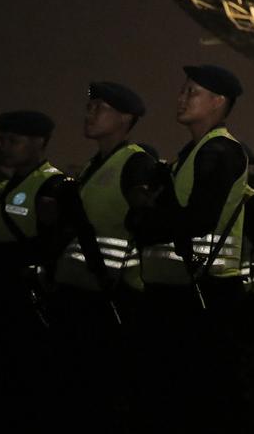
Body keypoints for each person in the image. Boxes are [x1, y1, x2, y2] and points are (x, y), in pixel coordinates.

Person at [127, 64, 251, 432]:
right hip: (178, 292)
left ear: (218, 101)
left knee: (204, 400)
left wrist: (142, 221)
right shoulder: (190, 154)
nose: (181, 98)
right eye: (182, 91)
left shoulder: (220, 151)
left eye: (192, 92)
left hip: (204, 294)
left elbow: (198, 218)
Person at [52, 81, 157, 430]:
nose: (89, 113)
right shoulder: (91, 167)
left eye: (100, 108)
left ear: (125, 118)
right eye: (90, 106)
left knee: (102, 396)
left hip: (111, 299)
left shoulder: (135, 163)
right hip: (78, 295)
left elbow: (145, 218)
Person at [0, 110, 77, 429]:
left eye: (13, 141)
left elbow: (55, 245)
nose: (5, 146)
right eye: (3, 140)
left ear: (38, 142)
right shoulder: (2, 189)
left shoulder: (55, 186)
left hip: (33, 302)